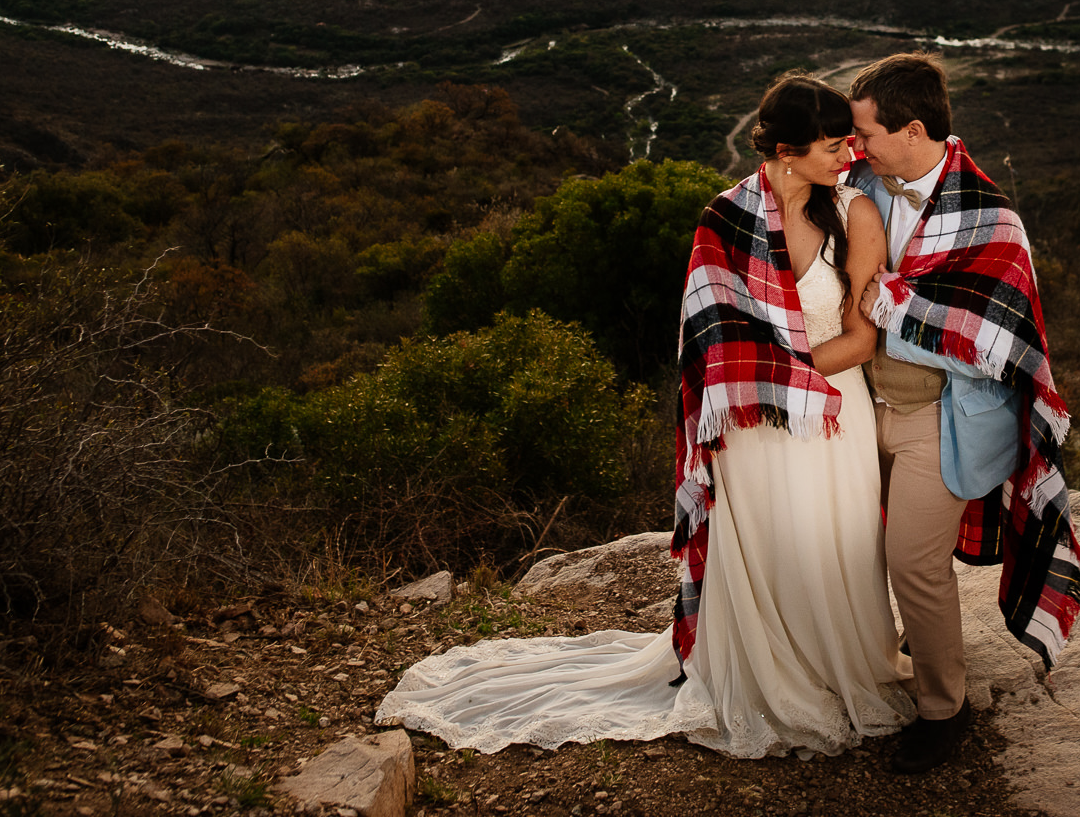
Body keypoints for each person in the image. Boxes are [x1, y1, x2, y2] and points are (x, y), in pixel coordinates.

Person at [375, 74, 915, 758]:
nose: (848, 155)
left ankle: (845, 667)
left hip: (831, 418)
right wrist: (757, 375)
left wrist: (776, 369)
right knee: (769, 548)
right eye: (834, 144)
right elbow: (705, 338)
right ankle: (763, 672)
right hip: (747, 427)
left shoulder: (857, 214)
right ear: (786, 149)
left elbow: (863, 338)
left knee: (835, 545)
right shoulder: (725, 220)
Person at [845, 52, 1080, 775]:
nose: (857, 146)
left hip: (940, 421)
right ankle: (906, 649)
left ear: (913, 128)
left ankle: (942, 710)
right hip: (863, 409)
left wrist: (895, 304)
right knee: (860, 551)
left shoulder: (994, 221)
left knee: (913, 562)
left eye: (867, 133)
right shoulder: (859, 183)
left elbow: (998, 346)